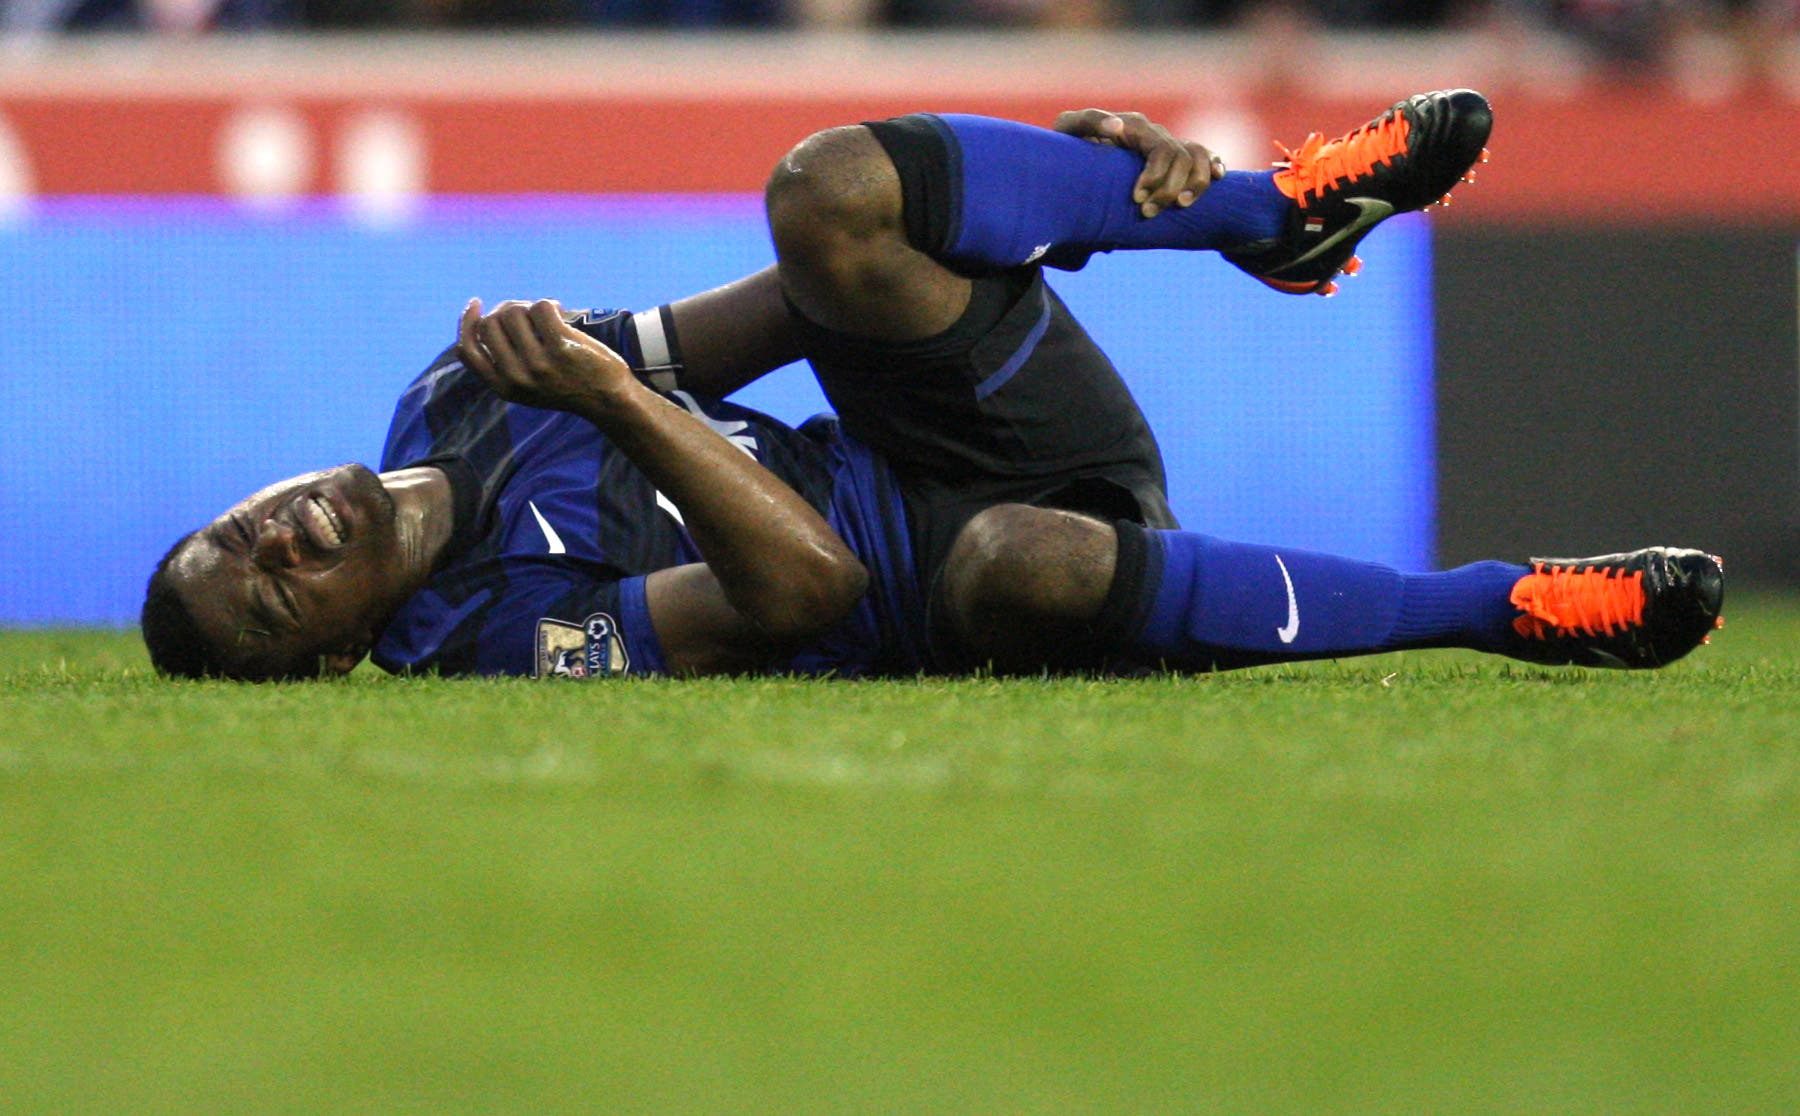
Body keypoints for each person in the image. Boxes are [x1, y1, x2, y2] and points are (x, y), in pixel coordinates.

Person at [140, 89, 1725, 681]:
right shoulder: (492, 639)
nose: (277, 548)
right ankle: (1509, 605)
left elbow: (771, 313)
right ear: (334, 656)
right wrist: (624, 404)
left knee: (825, 193)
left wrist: (1037, 221)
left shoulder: (459, 390)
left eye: (236, 541)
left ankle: (1276, 216)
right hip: (965, 582)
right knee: (1008, 559)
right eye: (273, 603)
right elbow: (812, 590)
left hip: (960, 417)